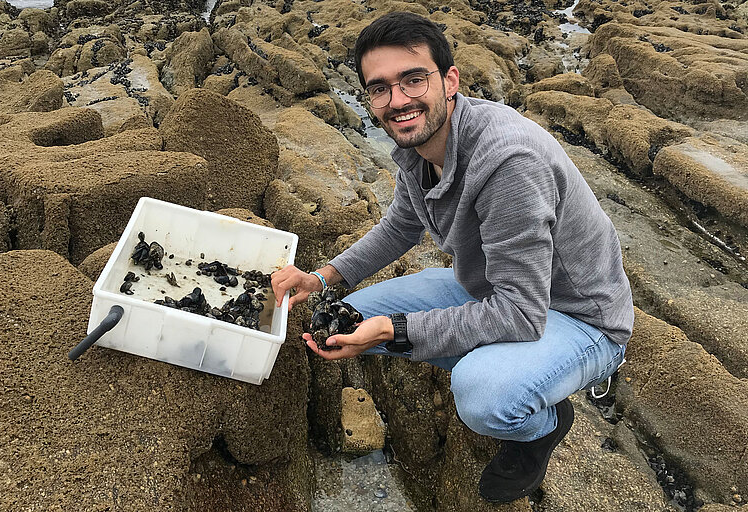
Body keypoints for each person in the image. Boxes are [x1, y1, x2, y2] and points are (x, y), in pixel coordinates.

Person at [271, 11, 633, 503]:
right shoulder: (419, 146)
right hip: (492, 288)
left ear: (449, 80)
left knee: (482, 395)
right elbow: (400, 225)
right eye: (379, 88)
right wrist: (321, 278)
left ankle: (543, 424)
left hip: (577, 317)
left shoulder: (508, 163)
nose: (397, 101)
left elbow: (521, 314)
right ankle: (504, 360)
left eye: (412, 79)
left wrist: (398, 332)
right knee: (346, 318)